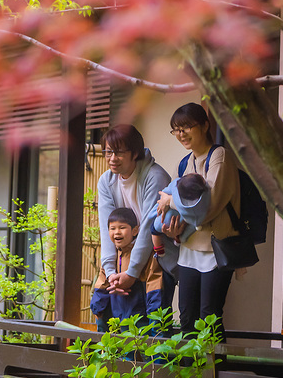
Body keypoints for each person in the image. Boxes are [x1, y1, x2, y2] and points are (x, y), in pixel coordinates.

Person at [158, 102, 240, 340]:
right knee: (186, 318)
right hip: (188, 250)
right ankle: (190, 376)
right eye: (176, 129)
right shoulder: (184, 163)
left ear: (205, 125)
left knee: (209, 318)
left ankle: (215, 377)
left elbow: (207, 208)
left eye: (186, 127)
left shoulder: (219, 156)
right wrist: (172, 229)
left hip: (216, 249)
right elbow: (170, 203)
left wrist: (171, 202)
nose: (181, 134)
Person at [96, 125, 176, 321]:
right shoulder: (106, 181)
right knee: (119, 325)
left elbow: (150, 225)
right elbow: (107, 228)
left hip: (155, 259)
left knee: (154, 323)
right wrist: (111, 274)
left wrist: (131, 273)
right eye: (108, 152)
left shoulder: (154, 176)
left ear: (135, 153)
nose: (112, 158)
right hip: (123, 262)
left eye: (119, 152)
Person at [89, 208, 156, 330]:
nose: (117, 232)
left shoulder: (142, 256)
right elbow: (101, 284)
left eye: (122, 228)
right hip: (114, 316)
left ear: (135, 230)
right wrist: (97, 309)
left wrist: (153, 315)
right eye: (112, 228)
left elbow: (153, 286)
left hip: (138, 318)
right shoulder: (111, 257)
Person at [152, 173, 210, 252]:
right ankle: (178, 240)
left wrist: (168, 200)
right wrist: (181, 238)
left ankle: (158, 249)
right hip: (181, 225)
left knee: (154, 228)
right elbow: (196, 225)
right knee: (191, 228)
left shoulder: (178, 185)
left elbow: (164, 193)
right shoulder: (199, 209)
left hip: (164, 220)